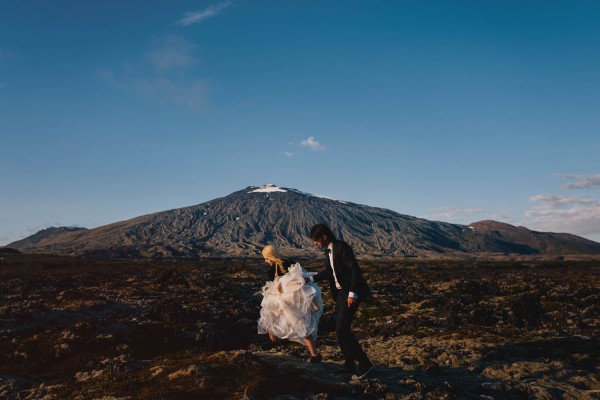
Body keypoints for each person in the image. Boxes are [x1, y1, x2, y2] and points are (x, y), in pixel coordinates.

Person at [308, 224, 374, 380]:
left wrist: (352, 293)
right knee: (340, 329)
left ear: (324, 237)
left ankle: (365, 363)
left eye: (316, 241)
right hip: (340, 294)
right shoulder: (328, 250)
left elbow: (354, 270)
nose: (315, 244)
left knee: (342, 328)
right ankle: (349, 364)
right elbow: (329, 272)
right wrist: (310, 278)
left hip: (351, 292)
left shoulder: (341, 247)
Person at [257, 245, 324, 362]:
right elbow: (299, 275)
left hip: (288, 300)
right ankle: (314, 354)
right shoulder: (288, 261)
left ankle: (275, 344)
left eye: (267, 258)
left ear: (271, 256)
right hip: (293, 299)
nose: (265, 261)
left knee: (273, 318)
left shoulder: (274, 269)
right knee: (298, 323)